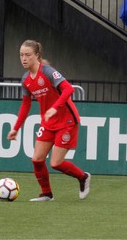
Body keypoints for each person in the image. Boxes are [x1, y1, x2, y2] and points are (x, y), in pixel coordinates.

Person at [7, 40, 91, 202]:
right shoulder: (26, 79)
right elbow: (25, 105)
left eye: (28, 55)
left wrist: (54, 107)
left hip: (66, 120)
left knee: (56, 163)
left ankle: (83, 177)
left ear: (37, 56)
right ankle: (47, 194)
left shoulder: (47, 72)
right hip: (48, 123)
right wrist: (16, 128)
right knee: (37, 159)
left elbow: (68, 89)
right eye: (21, 55)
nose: (24, 58)